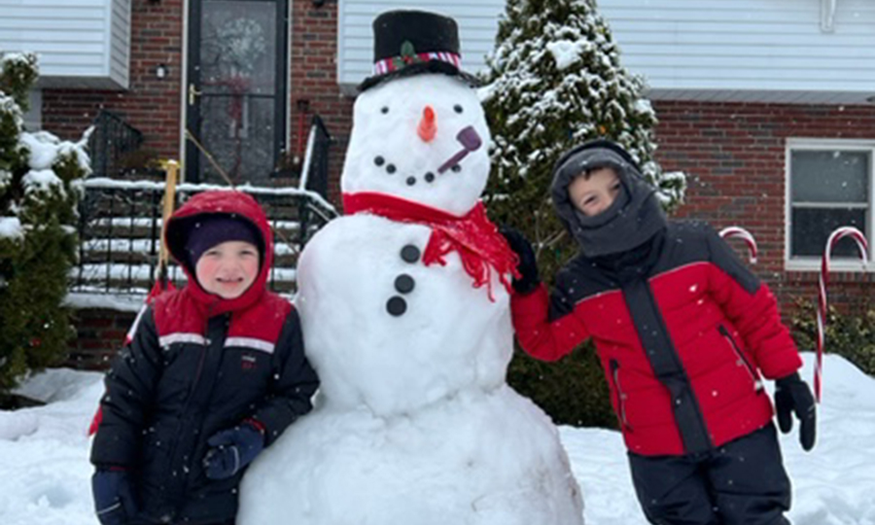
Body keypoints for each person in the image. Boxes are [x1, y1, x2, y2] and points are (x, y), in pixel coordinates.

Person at [502, 139, 816, 525]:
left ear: (633, 183)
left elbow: (755, 313)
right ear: (575, 215)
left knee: (757, 519)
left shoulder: (695, 246)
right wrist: (527, 287)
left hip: (739, 427)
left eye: (615, 188)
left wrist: (787, 376)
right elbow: (545, 342)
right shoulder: (582, 283)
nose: (610, 204)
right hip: (657, 449)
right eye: (591, 199)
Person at [89, 190, 319, 525]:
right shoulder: (164, 316)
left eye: (245, 252)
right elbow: (126, 396)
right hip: (147, 488)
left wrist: (254, 432)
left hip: (222, 497)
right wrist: (110, 467)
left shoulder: (279, 321)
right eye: (214, 252)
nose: (231, 266)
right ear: (193, 258)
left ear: (264, 255)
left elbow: (296, 392)